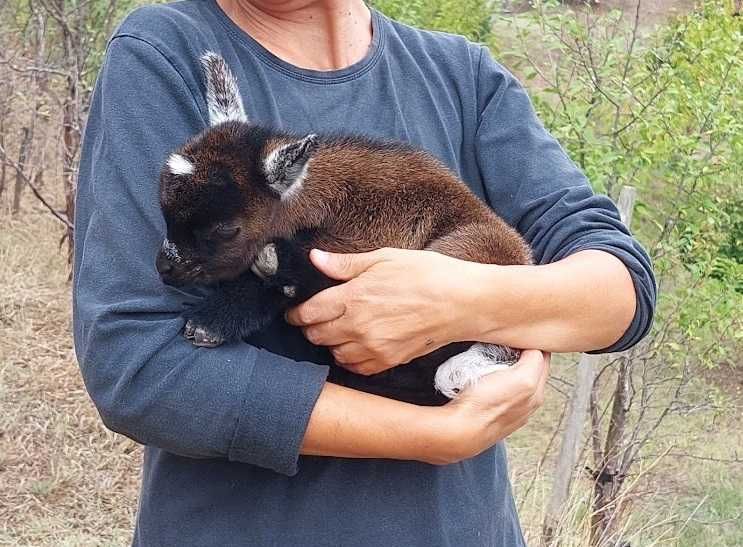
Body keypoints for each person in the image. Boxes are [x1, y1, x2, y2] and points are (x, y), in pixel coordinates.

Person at [72, 0, 655, 545]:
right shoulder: (166, 49)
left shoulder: (460, 77)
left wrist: (462, 298)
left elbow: (618, 288)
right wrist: (434, 437)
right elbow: (139, 370)